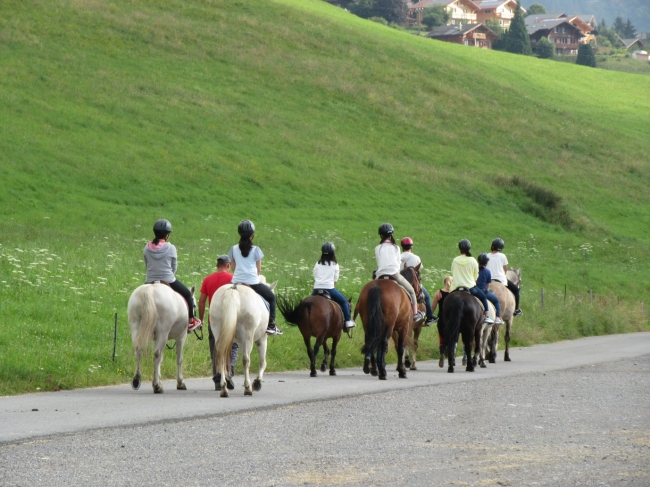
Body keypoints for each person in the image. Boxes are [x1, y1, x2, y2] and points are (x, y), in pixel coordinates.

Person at [143, 219, 202, 332]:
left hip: (149, 280)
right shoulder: (171, 248)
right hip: (168, 279)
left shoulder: (146, 247)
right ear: (167, 235)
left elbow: (147, 264)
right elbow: (174, 266)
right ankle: (191, 321)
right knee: (188, 295)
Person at [227, 220, 281, 335]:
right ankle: (271, 325)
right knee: (271, 298)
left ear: (239, 234)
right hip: (253, 282)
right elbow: (259, 270)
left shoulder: (233, 249)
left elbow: (233, 267)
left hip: (236, 282)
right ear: (252, 235)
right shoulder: (256, 250)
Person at [198, 254, 238, 389]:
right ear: (229, 265)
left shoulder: (207, 279)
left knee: (215, 347)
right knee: (233, 345)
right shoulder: (233, 279)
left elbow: (202, 301)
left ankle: (217, 379)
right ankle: (229, 371)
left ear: (217, 265)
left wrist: (202, 319)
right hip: (230, 319)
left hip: (213, 320)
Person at [375, 223, 425, 322]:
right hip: (394, 274)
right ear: (391, 235)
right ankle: (415, 314)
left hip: (380, 275)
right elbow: (398, 262)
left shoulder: (377, 248)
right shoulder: (396, 247)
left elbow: (379, 261)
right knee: (411, 291)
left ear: (381, 235)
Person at [313, 242, 356, 332]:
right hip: (329, 288)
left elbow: (315, 275)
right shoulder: (335, 264)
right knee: (344, 302)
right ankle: (347, 321)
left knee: (308, 304)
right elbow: (335, 279)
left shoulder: (318, 263)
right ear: (333, 253)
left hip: (317, 288)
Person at [450, 239, 494, 324]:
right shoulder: (473, 260)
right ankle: (487, 316)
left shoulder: (455, 260)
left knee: (445, 300)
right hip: (470, 287)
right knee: (483, 297)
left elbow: (453, 272)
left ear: (459, 249)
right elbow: (475, 275)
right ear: (469, 249)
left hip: (455, 287)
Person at [400, 237, 436, 326]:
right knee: (427, 297)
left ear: (402, 247)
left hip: (399, 283)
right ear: (411, 247)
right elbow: (419, 272)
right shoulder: (416, 258)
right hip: (412, 284)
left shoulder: (398, 257)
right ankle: (429, 318)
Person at [486, 238, 522, 316]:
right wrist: (503, 275)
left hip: (488, 280)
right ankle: (516, 309)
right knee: (516, 290)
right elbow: (505, 269)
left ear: (492, 246)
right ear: (501, 248)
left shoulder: (486, 256)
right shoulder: (502, 256)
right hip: (500, 280)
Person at [477, 253, 504, 325]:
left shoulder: (475, 270)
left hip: (475, 290)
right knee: (496, 301)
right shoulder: (488, 272)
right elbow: (488, 284)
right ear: (486, 262)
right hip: (483, 291)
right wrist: (487, 289)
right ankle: (497, 317)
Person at [431, 275, 453, 366]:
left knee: (441, 337)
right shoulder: (453, 293)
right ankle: (451, 355)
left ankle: (442, 353)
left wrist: (429, 316)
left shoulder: (438, 293)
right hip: (451, 318)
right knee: (451, 336)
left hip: (441, 317)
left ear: (444, 282)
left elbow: (433, 307)